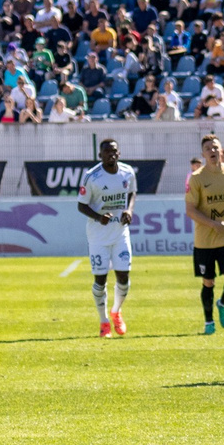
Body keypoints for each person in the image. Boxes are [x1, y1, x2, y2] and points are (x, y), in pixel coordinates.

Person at [78, 137, 139, 338]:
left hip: (120, 233)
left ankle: (116, 311)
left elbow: (131, 192)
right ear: (100, 155)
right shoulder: (91, 177)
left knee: (124, 277)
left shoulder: (127, 172)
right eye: (107, 152)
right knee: (100, 280)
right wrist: (98, 217)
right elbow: (81, 205)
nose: (111, 155)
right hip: (98, 236)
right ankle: (104, 322)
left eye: (114, 151)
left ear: (119, 153)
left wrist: (129, 210)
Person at [186, 135, 224, 333]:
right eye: (208, 149)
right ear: (203, 154)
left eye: (215, 147)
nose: (212, 151)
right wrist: (212, 224)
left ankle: (222, 303)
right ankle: (209, 321)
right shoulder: (197, 178)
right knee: (208, 281)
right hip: (204, 241)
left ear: (221, 150)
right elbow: (191, 210)